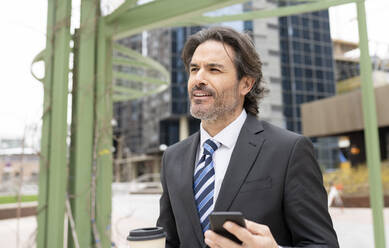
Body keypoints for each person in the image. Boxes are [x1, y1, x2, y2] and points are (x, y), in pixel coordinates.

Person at [157, 26, 339, 248]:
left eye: (214, 70)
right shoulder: (172, 158)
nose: (198, 79)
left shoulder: (289, 151)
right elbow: (170, 241)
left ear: (246, 84)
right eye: (194, 69)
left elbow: (323, 244)